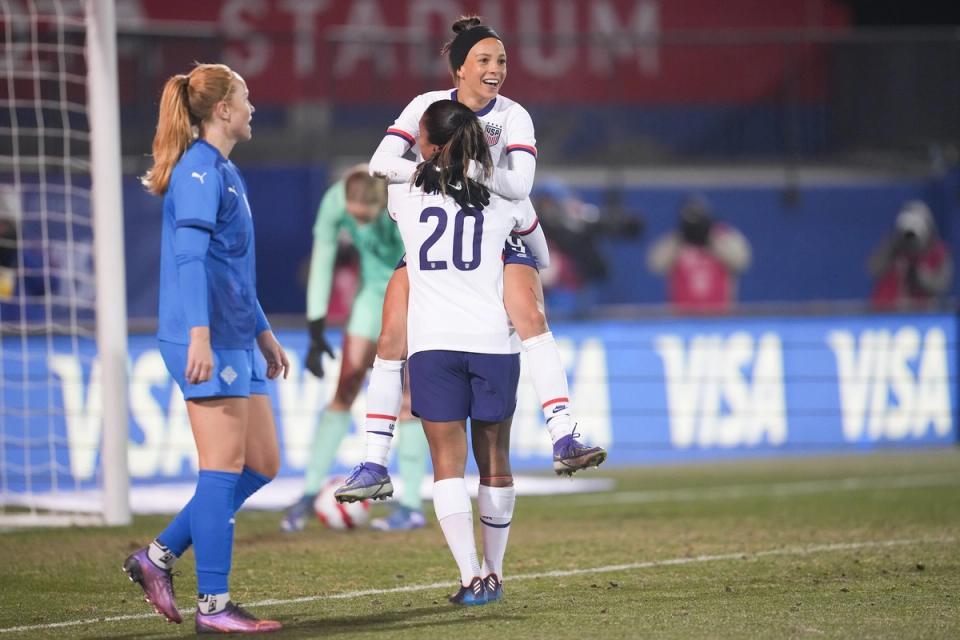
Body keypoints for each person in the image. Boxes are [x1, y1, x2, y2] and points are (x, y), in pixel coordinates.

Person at [335, 17, 606, 504]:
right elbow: (379, 162)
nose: (495, 69)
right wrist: (439, 174)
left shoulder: (515, 115)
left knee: (530, 314)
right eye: (483, 60)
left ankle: (564, 433)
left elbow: (520, 189)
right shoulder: (426, 105)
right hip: (439, 234)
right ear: (459, 68)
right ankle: (374, 461)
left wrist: (460, 171)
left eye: (501, 60)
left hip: (497, 230)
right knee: (392, 333)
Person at [122, 63, 286, 634]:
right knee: (220, 469)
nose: (252, 107)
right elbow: (190, 261)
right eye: (245, 98)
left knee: (262, 464)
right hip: (207, 338)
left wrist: (263, 331)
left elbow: (231, 269)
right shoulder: (198, 170)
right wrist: (199, 336)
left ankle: (157, 558)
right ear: (222, 110)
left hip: (237, 335)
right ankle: (213, 607)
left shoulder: (225, 169)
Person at [392, 99, 535, 604]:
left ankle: (469, 575)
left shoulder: (402, 194)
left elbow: (389, 161)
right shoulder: (505, 199)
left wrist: (412, 149)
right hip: (494, 339)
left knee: (445, 466)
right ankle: (494, 571)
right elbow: (535, 256)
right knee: (495, 458)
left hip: (432, 343)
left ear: (426, 145)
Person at [279, 165, 429, 533]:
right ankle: (308, 492)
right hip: (369, 298)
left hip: (413, 293)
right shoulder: (335, 201)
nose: (359, 226)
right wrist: (315, 327)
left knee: (409, 396)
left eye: (367, 218)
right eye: (354, 218)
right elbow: (323, 257)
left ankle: (411, 504)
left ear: (384, 205)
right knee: (345, 386)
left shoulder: (405, 200)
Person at [647, 194, 751, 314]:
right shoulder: (677, 241)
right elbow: (655, 265)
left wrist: (711, 237)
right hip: (682, 318)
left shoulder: (723, 237)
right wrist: (681, 237)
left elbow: (742, 262)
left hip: (721, 317)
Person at [868, 200, 953, 309]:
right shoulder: (892, 246)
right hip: (887, 313)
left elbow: (939, 286)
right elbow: (873, 269)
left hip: (922, 314)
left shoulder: (938, 254)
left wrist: (921, 273)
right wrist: (892, 248)